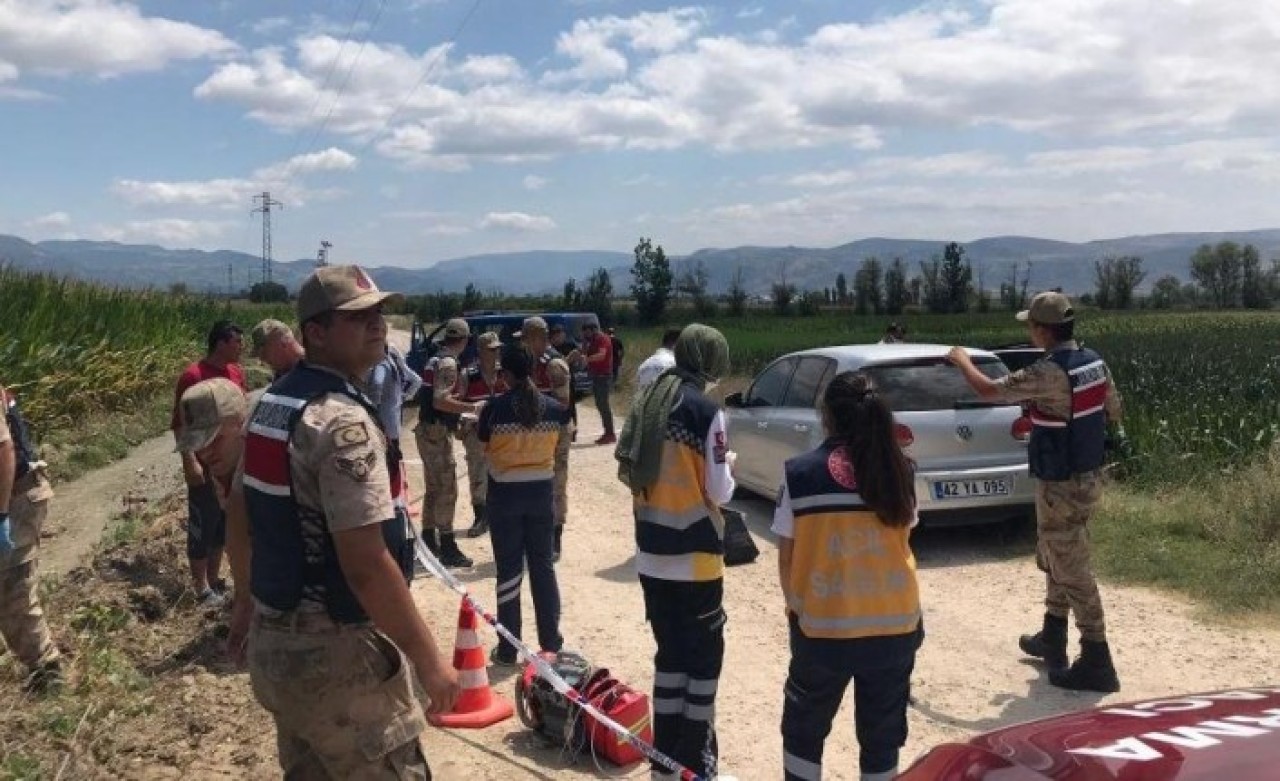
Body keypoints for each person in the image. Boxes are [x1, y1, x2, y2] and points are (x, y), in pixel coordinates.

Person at [237, 264, 459, 777]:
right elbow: (364, 562)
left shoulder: (272, 403)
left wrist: (246, 600)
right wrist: (429, 661)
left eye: (379, 313)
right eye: (358, 317)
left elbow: (239, 509)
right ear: (315, 333)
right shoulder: (341, 421)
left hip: (278, 648)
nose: (378, 325)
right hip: (336, 656)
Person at [947, 291, 1123, 693]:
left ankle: (1097, 658)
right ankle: (1052, 634)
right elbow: (1113, 410)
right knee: (1055, 551)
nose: (1029, 331)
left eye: (1030, 325)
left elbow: (989, 391)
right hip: (1087, 473)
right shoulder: (1094, 362)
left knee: (1069, 563)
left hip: (1061, 481)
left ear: (1043, 330)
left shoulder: (1048, 372)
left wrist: (962, 361)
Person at [774, 371, 924, 781]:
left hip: (823, 629)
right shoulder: (902, 471)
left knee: (803, 734)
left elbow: (787, 557)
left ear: (828, 417)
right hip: (895, 625)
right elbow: (905, 537)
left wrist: (797, 609)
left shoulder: (799, 474)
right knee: (882, 738)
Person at [615, 324, 734, 780]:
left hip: (651, 553)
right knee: (702, 665)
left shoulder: (647, 402)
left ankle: (664, 762)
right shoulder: (705, 411)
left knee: (669, 659)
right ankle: (695, 762)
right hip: (696, 557)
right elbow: (719, 491)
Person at [478, 344, 569, 666]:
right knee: (543, 568)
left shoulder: (492, 410)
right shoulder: (556, 410)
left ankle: (507, 647)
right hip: (541, 496)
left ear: (506, 374)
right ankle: (551, 642)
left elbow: (484, 447)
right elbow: (559, 445)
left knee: (509, 571)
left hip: (504, 497)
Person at [172, 319, 246, 606]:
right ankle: (200, 587)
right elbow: (180, 425)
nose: (241, 347)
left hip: (231, 464)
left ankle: (215, 580)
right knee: (202, 522)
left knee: (222, 524)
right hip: (206, 462)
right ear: (221, 343)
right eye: (237, 342)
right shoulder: (193, 376)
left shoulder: (236, 373)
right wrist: (191, 462)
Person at [0, 384, 61, 694]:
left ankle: (47, 671)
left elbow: (4, 450)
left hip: (17, 498)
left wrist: (1, 517)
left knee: (12, 590)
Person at [415, 318, 481, 569]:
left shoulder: (435, 358)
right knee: (447, 488)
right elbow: (440, 401)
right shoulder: (449, 363)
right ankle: (447, 545)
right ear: (464, 340)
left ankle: (429, 539)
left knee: (433, 487)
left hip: (428, 428)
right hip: (436, 430)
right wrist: (472, 407)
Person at [520, 318, 574, 561]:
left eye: (525, 338)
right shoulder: (529, 363)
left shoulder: (554, 364)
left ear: (538, 337)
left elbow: (563, 405)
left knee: (556, 485)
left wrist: (533, 405)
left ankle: (556, 537)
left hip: (556, 433)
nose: (522, 343)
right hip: (536, 433)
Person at [459, 332, 508, 539]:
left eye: (498, 348)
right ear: (480, 351)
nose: (496, 353)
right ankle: (481, 516)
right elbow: (458, 402)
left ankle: (501, 515)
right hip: (476, 433)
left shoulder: (504, 373)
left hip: (502, 434)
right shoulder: (468, 374)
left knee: (503, 473)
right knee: (477, 474)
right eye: (491, 349)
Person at [582, 321, 616, 444]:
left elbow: (602, 355)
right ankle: (607, 432)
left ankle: (610, 433)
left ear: (593, 330)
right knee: (600, 404)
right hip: (597, 376)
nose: (586, 335)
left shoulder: (603, 339)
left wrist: (587, 359)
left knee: (603, 405)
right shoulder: (593, 340)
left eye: (587, 333)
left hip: (603, 376)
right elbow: (585, 352)